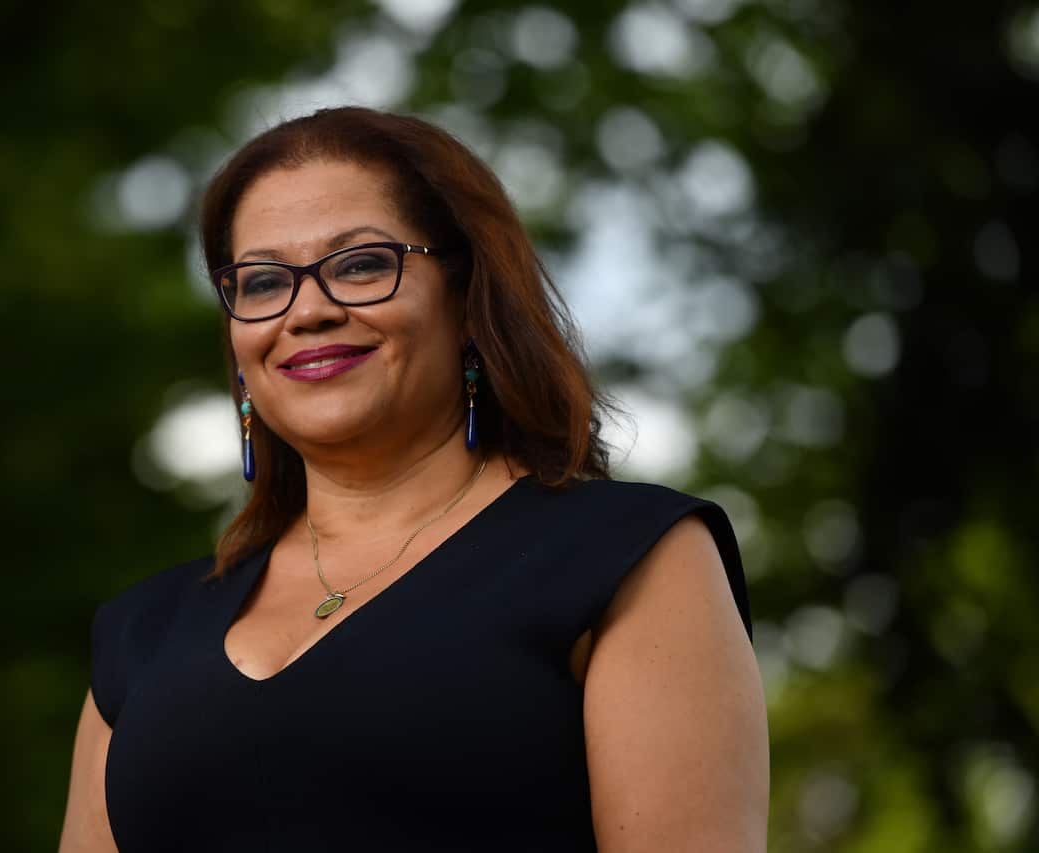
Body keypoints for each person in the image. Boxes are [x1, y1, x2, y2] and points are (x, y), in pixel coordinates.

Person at [59, 106, 768, 852]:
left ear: (466, 301)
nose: (307, 311)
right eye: (264, 282)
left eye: (361, 264)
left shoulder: (627, 556)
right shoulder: (142, 632)